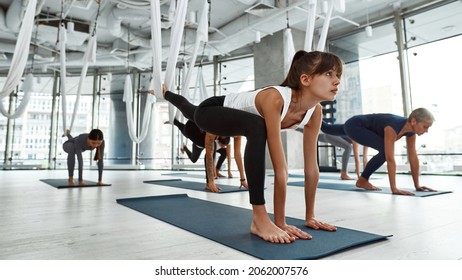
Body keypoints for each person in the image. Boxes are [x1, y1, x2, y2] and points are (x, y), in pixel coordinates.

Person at [193, 50, 342, 243]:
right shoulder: (276, 98)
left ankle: (276, 219)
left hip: (240, 122)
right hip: (210, 111)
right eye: (329, 74)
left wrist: (309, 217)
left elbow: (312, 169)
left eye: (338, 75)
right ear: (305, 79)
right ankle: (259, 219)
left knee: (256, 124)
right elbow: (280, 169)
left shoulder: (315, 112)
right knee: (257, 125)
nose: (337, 81)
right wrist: (280, 222)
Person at [151, 88, 248, 192]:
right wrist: (210, 182)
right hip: (202, 115)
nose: (235, 137)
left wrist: (242, 179)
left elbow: (237, 154)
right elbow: (209, 153)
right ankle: (165, 92)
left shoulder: (239, 129)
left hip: (205, 125)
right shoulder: (217, 125)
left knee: (205, 142)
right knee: (185, 107)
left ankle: (176, 120)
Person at [322, 108, 436, 195]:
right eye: (425, 127)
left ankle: (312, 111)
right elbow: (390, 159)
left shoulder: (411, 133)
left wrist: (417, 185)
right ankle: (363, 180)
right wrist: (394, 188)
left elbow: (413, 158)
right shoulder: (393, 126)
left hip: (354, 126)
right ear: (414, 121)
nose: (426, 131)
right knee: (384, 151)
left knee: (325, 127)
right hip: (356, 125)